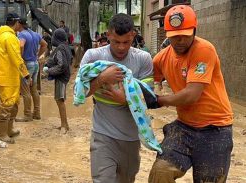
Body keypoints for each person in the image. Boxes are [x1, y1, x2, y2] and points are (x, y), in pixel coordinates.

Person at [148, 5, 233, 183]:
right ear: (167, 35)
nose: (180, 41)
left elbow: (191, 95)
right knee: (160, 172)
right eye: (174, 37)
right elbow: (143, 81)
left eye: (185, 35)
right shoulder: (162, 58)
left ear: (194, 31)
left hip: (215, 129)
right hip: (184, 128)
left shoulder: (204, 50)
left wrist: (159, 100)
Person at [80, 13, 153, 182]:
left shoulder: (143, 59)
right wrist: (101, 79)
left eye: (126, 42)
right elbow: (80, 93)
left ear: (133, 36)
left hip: (131, 138)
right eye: (116, 42)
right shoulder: (93, 57)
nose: (121, 47)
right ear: (108, 35)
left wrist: (126, 99)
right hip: (102, 135)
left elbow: (149, 98)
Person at [0, 13, 30, 144]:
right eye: (20, 23)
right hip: (7, 75)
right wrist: (25, 73)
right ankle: (3, 134)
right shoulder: (10, 37)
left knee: (14, 102)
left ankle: (9, 129)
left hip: (6, 74)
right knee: (8, 104)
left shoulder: (3, 36)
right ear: (16, 23)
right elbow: (16, 57)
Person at [16, 18, 47, 122]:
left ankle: (27, 115)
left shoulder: (22, 34)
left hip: (27, 64)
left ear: (19, 24)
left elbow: (21, 45)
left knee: (25, 90)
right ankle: (37, 113)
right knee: (34, 89)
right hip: (35, 63)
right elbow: (45, 44)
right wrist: (37, 55)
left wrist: (21, 58)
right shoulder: (35, 34)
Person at [43, 28, 72, 133]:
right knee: (59, 100)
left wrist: (49, 71)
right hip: (64, 76)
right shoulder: (66, 47)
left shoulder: (60, 48)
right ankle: (64, 124)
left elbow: (62, 65)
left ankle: (64, 125)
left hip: (61, 77)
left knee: (60, 100)